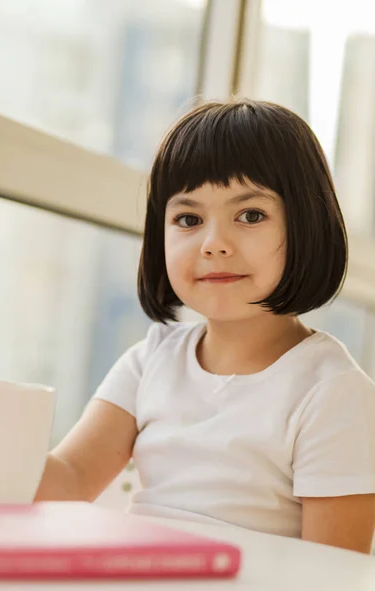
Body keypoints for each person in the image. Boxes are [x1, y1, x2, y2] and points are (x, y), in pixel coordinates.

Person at [35, 99, 375, 554]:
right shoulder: (150, 360)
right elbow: (70, 480)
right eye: (188, 219)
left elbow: (333, 572)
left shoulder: (333, 391)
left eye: (250, 215)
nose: (214, 244)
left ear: (307, 227)